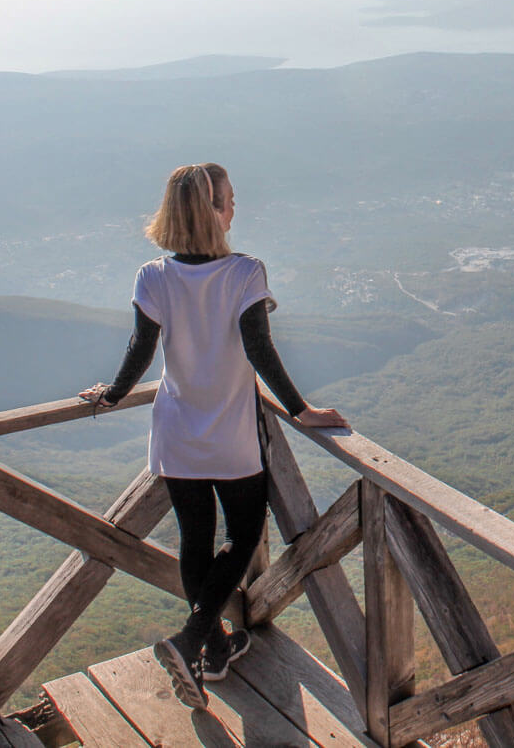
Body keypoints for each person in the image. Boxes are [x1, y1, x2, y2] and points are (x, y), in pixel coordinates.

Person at [79, 162, 347, 709]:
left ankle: (212, 650)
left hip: (176, 430)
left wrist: (111, 393)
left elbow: (140, 348)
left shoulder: (153, 276)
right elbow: (259, 350)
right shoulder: (245, 273)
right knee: (244, 534)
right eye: (229, 198)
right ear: (214, 211)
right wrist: (301, 410)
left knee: (195, 542)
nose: (234, 206)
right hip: (228, 432)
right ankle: (195, 641)